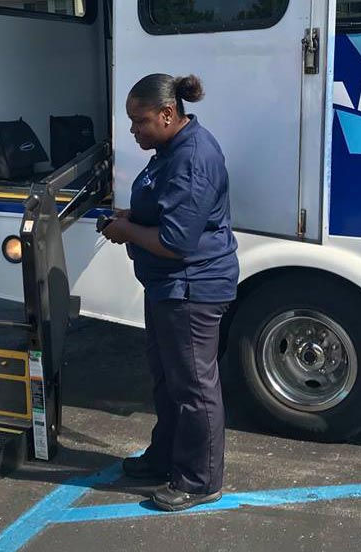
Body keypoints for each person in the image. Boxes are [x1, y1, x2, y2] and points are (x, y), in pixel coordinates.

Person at [102, 73, 239, 512]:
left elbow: (177, 241)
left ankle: (200, 480)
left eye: (140, 121)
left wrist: (126, 230)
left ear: (167, 114)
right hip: (168, 286)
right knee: (168, 381)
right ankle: (166, 457)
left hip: (192, 288)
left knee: (195, 387)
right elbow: (162, 208)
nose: (133, 131)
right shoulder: (168, 149)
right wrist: (129, 214)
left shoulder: (193, 157)